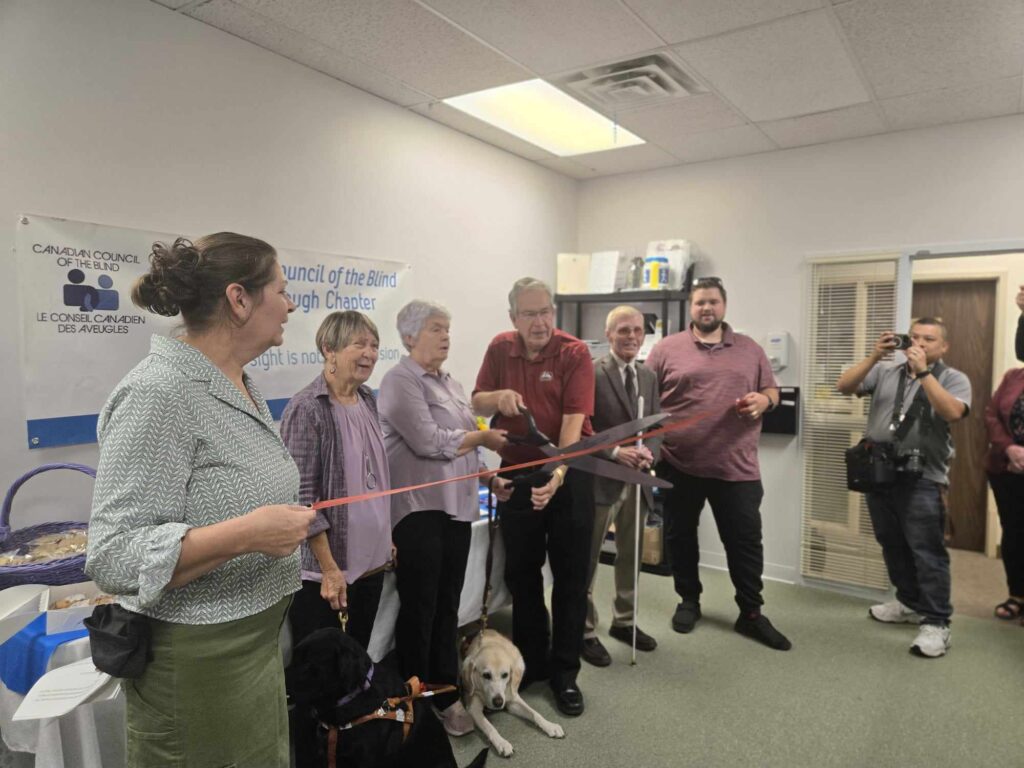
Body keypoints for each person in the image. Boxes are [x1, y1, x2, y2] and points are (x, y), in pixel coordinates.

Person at [86, 233, 315, 767]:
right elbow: (113, 554)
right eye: (281, 291)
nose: (292, 304)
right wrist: (249, 534)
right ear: (239, 300)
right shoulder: (159, 393)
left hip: (255, 649)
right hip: (196, 663)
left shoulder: (237, 382)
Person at [378, 300, 509, 736]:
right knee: (422, 607)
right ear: (410, 336)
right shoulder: (399, 381)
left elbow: (467, 440)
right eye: (436, 328)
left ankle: (447, 691)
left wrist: (491, 475)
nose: (446, 336)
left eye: (447, 328)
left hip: (457, 509)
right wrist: (482, 435)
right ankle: (418, 698)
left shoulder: (450, 382)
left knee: (448, 606)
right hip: (418, 511)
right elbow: (429, 440)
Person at [645, 276, 791, 651]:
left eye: (712, 301)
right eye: (699, 303)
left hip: (736, 468)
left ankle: (752, 614)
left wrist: (765, 401)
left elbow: (772, 390)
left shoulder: (750, 349)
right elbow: (645, 403)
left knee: (744, 543)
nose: (706, 308)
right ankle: (688, 600)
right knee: (680, 538)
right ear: (690, 308)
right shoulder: (665, 349)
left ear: (724, 306)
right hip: (678, 464)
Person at [472, 277, 595, 717]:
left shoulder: (575, 352)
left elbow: (574, 423)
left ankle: (565, 674)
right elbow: (476, 400)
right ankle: (531, 665)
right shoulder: (499, 348)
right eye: (529, 313)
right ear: (513, 319)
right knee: (523, 578)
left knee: (569, 580)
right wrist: (498, 396)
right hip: (516, 475)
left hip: (568, 474)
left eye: (546, 311)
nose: (540, 321)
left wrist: (558, 472)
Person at [836, 319, 970, 658]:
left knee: (926, 551)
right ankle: (909, 604)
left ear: (944, 347)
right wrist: (873, 356)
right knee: (891, 544)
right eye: (916, 337)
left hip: (923, 477)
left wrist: (924, 373)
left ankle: (937, 623)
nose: (921, 343)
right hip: (879, 472)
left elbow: (952, 411)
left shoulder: (952, 378)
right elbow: (844, 386)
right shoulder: (887, 373)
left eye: (930, 339)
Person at [280, 311, 392, 652]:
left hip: (371, 563)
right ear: (329, 349)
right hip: (329, 573)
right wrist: (329, 569)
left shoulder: (368, 399)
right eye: (359, 344)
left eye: (374, 345)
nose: (370, 354)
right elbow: (302, 499)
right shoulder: (308, 408)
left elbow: (374, 478)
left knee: (357, 662)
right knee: (323, 671)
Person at [581, 306, 662, 667]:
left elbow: (657, 427)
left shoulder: (648, 376)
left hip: (638, 481)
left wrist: (649, 456)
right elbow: (582, 429)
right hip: (602, 481)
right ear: (609, 333)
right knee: (589, 559)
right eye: (624, 330)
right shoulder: (591, 373)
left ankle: (624, 622)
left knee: (630, 555)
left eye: (638, 330)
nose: (632, 336)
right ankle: (583, 630)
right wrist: (617, 453)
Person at [985, 288, 1024, 623]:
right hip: (1006, 470)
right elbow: (991, 414)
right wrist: (1009, 448)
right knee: (1013, 532)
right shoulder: (1014, 377)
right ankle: (1017, 595)